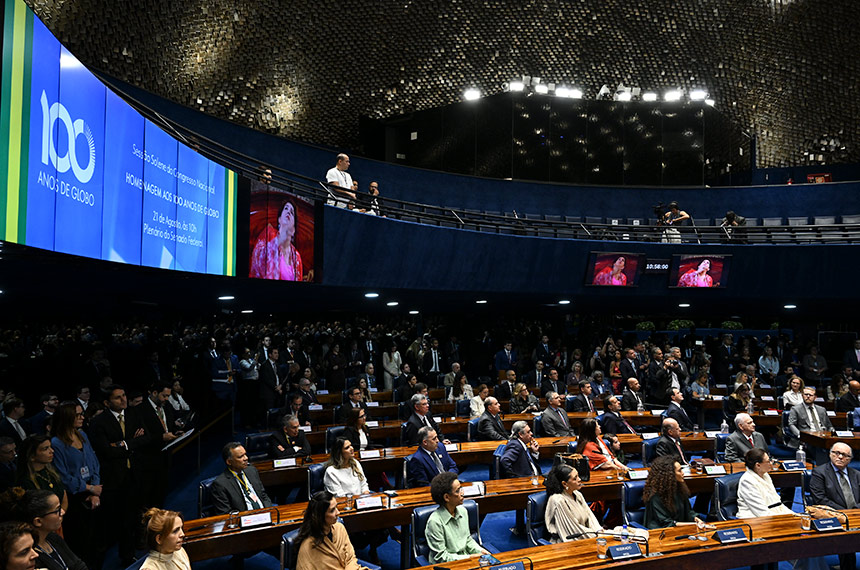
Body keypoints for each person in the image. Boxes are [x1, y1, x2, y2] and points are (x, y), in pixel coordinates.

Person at [86, 384, 145, 565]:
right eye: (118, 397)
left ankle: (128, 556)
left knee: (132, 518)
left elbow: (146, 438)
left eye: (124, 395)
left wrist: (123, 444)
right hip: (112, 480)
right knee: (112, 523)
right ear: (106, 402)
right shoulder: (99, 422)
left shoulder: (133, 413)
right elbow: (106, 451)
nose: (123, 399)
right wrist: (131, 443)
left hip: (133, 474)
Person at [50, 401, 102, 569]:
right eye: (78, 415)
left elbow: (94, 463)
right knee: (82, 543)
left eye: (82, 413)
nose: (82, 417)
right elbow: (63, 477)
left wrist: (95, 490)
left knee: (98, 540)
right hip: (74, 498)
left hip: (94, 493)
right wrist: (89, 489)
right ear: (67, 417)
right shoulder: (57, 443)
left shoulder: (82, 434)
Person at [321, 438, 386, 562]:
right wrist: (360, 500)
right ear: (339, 452)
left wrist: (366, 495)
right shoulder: (331, 471)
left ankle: (373, 548)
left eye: (351, 446)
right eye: (347, 447)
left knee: (381, 522)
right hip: (346, 509)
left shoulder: (355, 463)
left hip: (362, 503)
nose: (352, 449)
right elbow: (339, 496)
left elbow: (364, 484)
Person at [809, 443, 859, 570]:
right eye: (837, 453)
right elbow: (820, 499)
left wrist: (855, 512)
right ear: (830, 454)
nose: (840, 457)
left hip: (856, 514)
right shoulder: (819, 472)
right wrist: (845, 514)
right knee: (846, 538)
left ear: (850, 459)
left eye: (845, 455)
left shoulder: (856, 474)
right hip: (834, 515)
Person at [10, 489, 86, 570]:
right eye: (57, 510)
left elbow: (80, 566)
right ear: (38, 521)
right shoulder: (31, 555)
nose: (62, 512)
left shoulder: (53, 538)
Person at [295, 491, 368, 570]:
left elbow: (351, 558)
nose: (338, 512)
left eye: (336, 507)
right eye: (332, 510)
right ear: (320, 516)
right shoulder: (308, 546)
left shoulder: (339, 528)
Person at [425, 472, 489, 563]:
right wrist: (470, 557)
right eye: (457, 491)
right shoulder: (435, 522)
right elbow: (441, 557)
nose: (462, 493)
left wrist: (480, 551)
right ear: (447, 497)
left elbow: (467, 540)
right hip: (447, 565)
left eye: (461, 488)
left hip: (466, 560)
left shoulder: (463, 511)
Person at [642, 455, 706, 529]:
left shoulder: (679, 488)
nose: (683, 473)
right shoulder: (655, 495)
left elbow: (688, 511)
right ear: (669, 474)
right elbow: (666, 523)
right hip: (660, 533)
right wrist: (692, 524)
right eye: (679, 471)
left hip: (680, 529)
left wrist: (695, 519)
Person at [249, 197, 304, 281]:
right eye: (286, 208)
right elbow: (256, 267)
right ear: (279, 219)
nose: (288, 211)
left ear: (294, 228)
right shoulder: (267, 237)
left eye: (292, 212)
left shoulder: (297, 257)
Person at [543, 463, 601, 542]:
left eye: (578, 475)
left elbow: (590, 516)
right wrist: (596, 535)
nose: (579, 479)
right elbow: (573, 530)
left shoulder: (577, 494)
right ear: (564, 484)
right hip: (568, 543)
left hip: (587, 536)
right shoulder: (558, 500)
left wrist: (599, 530)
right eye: (575, 478)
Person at [210, 442, 272, 514]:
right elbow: (225, 513)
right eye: (240, 457)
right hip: (244, 519)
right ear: (229, 462)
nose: (246, 458)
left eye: (245, 454)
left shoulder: (251, 471)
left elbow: (263, 495)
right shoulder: (220, 484)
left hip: (265, 513)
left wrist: (268, 510)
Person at [15, 436, 67, 516]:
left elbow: (64, 497)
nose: (52, 451)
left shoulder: (52, 473)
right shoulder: (25, 481)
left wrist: (60, 515)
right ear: (32, 456)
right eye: (45, 449)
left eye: (50, 447)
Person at [736, 448, 795, 518]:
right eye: (768, 461)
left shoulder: (765, 475)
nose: (771, 463)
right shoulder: (747, 481)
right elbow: (762, 513)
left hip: (772, 514)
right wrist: (786, 519)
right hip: (754, 520)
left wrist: (794, 515)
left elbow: (777, 503)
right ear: (758, 465)